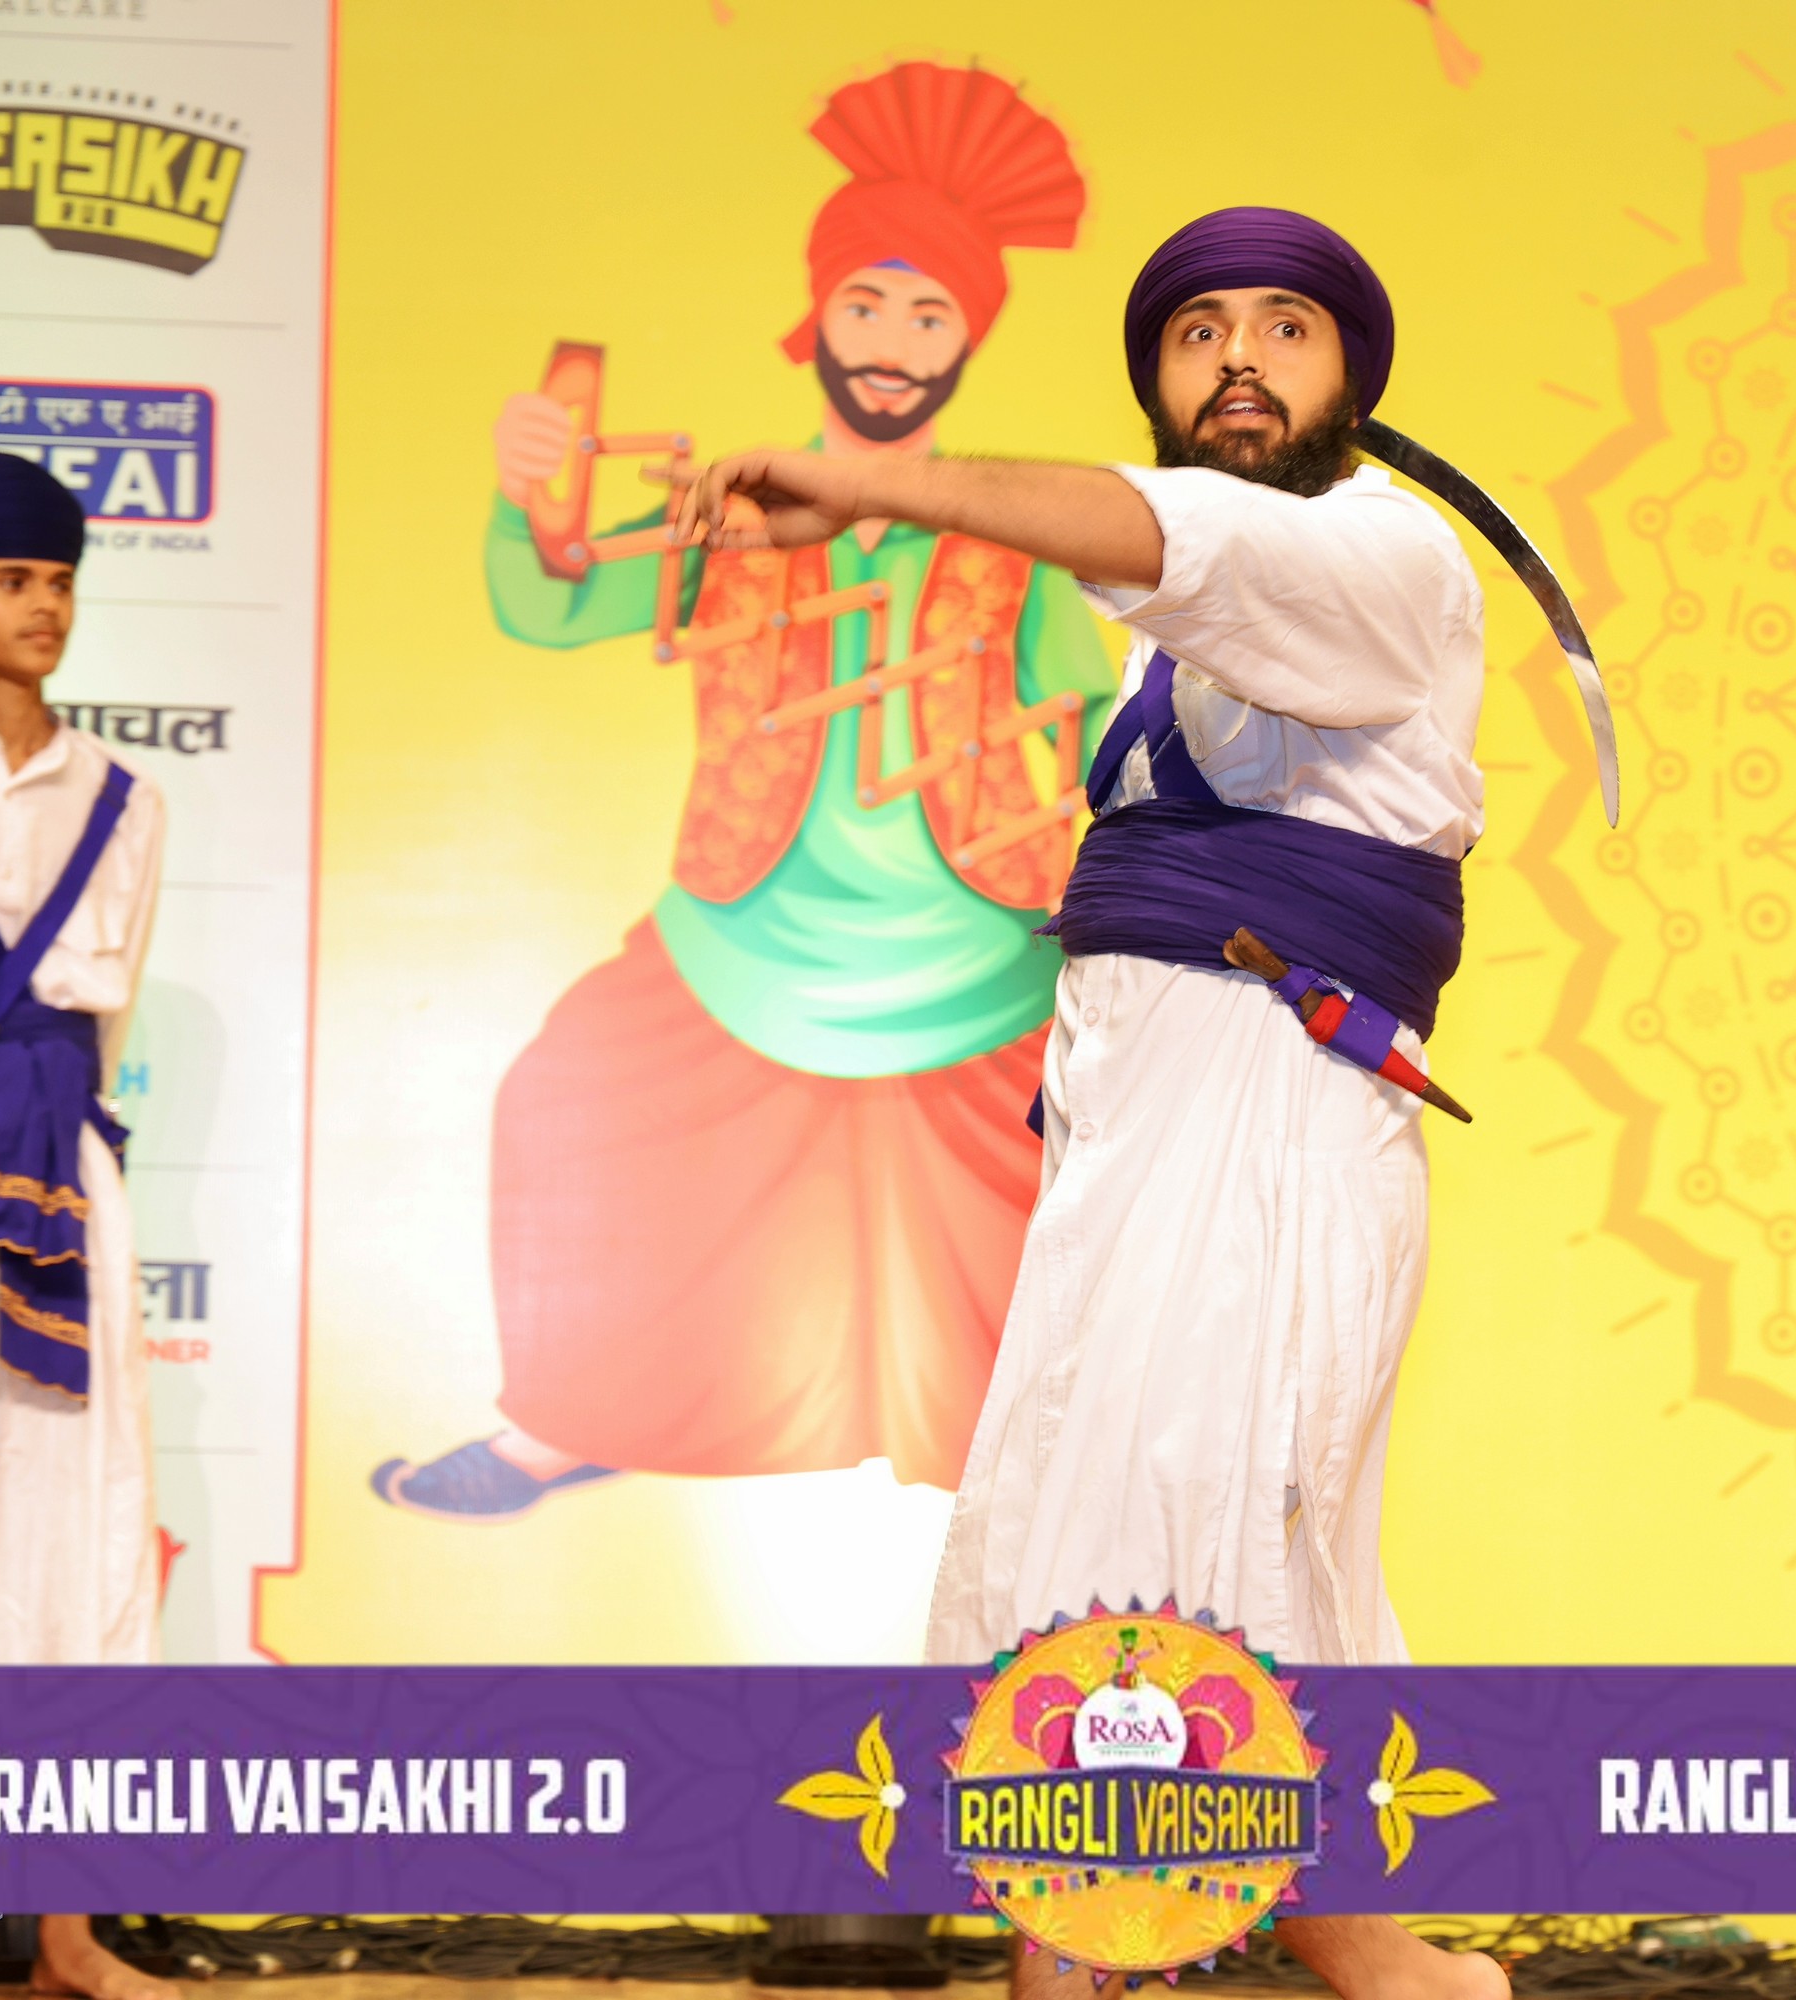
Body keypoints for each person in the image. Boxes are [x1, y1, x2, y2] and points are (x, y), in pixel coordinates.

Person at [676, 206, 1502, 2000]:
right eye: (1199, 334)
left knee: (1183, 1569)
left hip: (1276, 1132)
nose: (1239, 360)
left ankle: (1299, 1975)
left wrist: (881, 483)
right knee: (1111, 1567)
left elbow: (1177, 535)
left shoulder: (1383, 555)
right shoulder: (1169, 645)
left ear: (1351, 374)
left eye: (1284, 328)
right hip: (1136, 1147)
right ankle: (1404, 1978)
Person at [377, 61, 1115, 1522]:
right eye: (869, 304)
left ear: (967, 342)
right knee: (566, 1097)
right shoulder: (728, 513)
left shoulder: (1010, 539)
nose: (894, 344)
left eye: (930, 315)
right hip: (745, 931)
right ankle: (569, 1421)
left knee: (1046, 1198)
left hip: (975, 950)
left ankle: (1054, 1486)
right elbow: (552, 599)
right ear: (818, 319)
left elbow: (1095, 728)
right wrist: (530, 495)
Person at [0, 451, 174, 2000]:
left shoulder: (127, 800)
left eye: (62, 581)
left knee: (78, 1519)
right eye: (15, 579)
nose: (46, 606)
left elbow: (108, 1021)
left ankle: (70, 1934)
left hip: (68, 1182)